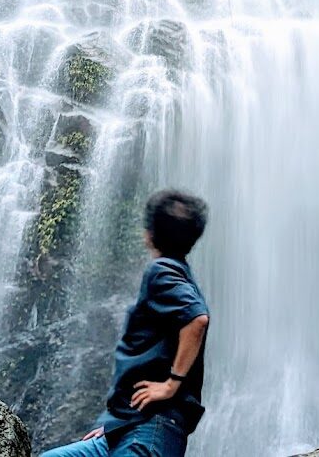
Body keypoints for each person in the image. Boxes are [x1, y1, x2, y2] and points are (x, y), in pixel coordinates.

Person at [40, 188, 210, 457]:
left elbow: (197, 319)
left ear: (150, 234)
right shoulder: (177, 272)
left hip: (150, 430)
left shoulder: (162, 271)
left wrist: (171, 384)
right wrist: (113, 422)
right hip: (126, 428)